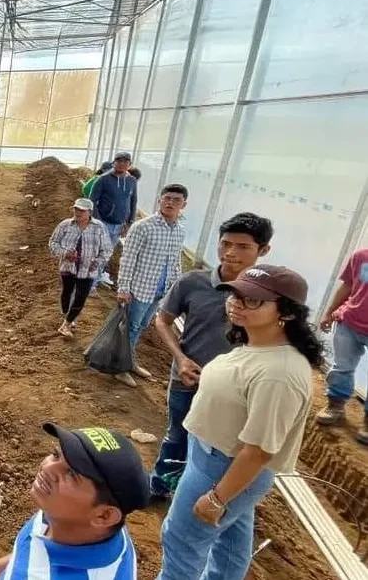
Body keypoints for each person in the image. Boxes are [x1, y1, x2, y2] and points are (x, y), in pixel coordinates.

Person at [157, 265, 323, 580]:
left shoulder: (280, 374)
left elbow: (259, 450)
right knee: (230, 549)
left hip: (222, 468)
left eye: (253, 300)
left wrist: (218, 497)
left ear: (286, 313)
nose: (236, 303)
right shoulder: (258, 345)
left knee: (180, 543)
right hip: (215, 458)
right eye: (235, 294)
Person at [149, 213, 273, 499]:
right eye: (225, 244)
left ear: (263, 250)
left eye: (243, 247)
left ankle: (199, 494)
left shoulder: (269, 296)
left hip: (235, 392)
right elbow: (162, 320)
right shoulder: (192, 282)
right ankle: (161, 484)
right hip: (187, 379)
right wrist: (180, 358)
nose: (231, 253)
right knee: (177, 435)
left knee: (217, 448)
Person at [0, 423, 148, 580]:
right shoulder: (86, 527)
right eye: (56, 454)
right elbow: (37, 547)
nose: (47, 468)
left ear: (104, 515)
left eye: (72, 474)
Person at [114, 183, 188, 388]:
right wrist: (123, 288)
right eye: (167, 198)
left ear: (184, 205)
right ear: (160, 200)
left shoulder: (179, 231)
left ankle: (130, 361)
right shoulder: (143, 227)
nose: (170, 203)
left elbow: (175, 261)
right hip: (139, 288)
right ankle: (120, 368)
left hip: (160, 291)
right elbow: (127, 259)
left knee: (142, 326)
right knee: (131, 327)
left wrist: (176, 287)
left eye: (176, 200)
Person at [315, 246, 368, 442]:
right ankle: (335, 404)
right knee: (342, 367)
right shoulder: (361, 256)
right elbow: (347, 286)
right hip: (350, 323)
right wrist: (329, 312)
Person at [47, 198, 114, 338]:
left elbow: (107, 249)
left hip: (88, 270)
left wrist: (98, 261)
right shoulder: (65, 225)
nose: (78, 213)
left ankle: (66, 323)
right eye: (76, 209)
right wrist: (65, 254)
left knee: (81, 297)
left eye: (82, 210)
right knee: (67, 292)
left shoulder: (99, 227)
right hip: (68, 267)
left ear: (89, 212)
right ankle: (67, 316)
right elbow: (53, 243)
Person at [91, 152, 138, 286]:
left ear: (130, 164)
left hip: (119, 225)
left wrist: (129, 222)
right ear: (114, 163)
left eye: (126, 162)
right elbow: (92, 201)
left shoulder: (131, 181)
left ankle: (95, 280)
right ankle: (90, 284)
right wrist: (97, 221)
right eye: (119, 161)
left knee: (107, 254)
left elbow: (133, 201)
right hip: (103, 222)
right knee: (97, 252)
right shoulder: (103, 179)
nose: (122, 164)